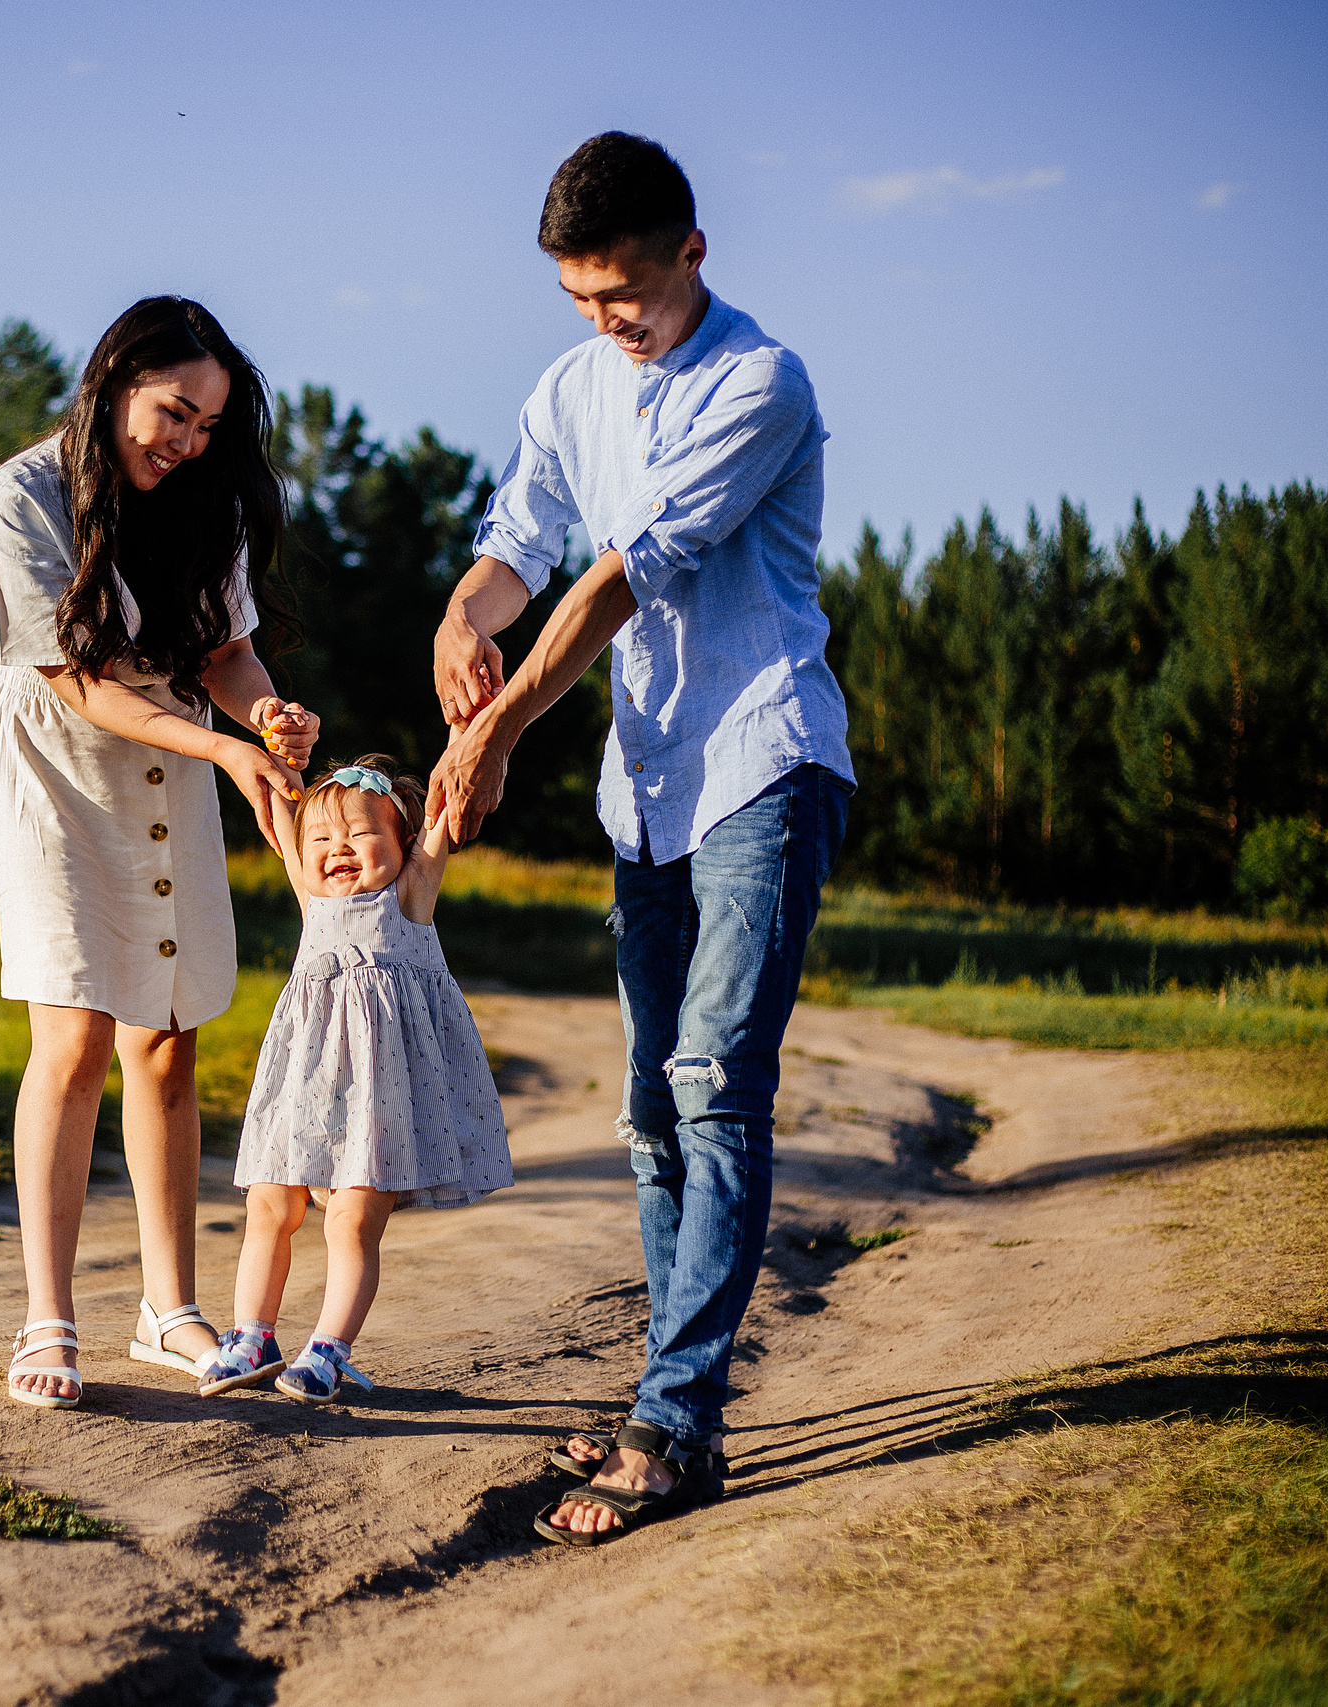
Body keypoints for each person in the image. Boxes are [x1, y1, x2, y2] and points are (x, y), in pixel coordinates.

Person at [423, 133, 855, 1541]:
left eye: (625, 294)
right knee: (651, 1109)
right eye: (582, 300)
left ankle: (672, 1422)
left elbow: (621, 576)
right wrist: (458, 619)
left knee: (717, 1083)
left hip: (760, 765)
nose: (607, 322)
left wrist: (497, 732)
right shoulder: (570, 385)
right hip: (647, 788)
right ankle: (670, 1399)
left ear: (692, 253)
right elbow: (524, 542)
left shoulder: (760, 382)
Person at [0, 295, 321, 1410]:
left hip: (174, 757)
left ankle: (168, 1311)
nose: (188, 440)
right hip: (59, 771)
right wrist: (216, 746)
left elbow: (227, 655)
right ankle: (46, 1318)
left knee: (167, 1039)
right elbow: (77, 679)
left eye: (208, 425)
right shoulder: (19, 499)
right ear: (116, 380)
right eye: (174, 411)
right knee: (71, 1032)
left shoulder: (197, 505)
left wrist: (266, 722)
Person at [199, 754, 514, 1404]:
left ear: (402, 841)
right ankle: (252, 1336)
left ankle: (327, 1350)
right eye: (322, 837)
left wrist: (466, 731)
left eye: (362, 832)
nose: (338, 846)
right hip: (300, 1089)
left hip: (380, 1097)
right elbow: (278, 806)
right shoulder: (313, 899)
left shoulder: (410, 893)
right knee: (269, 1205)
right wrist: (275, 748)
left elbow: (447, 805)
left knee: (349, 1222)